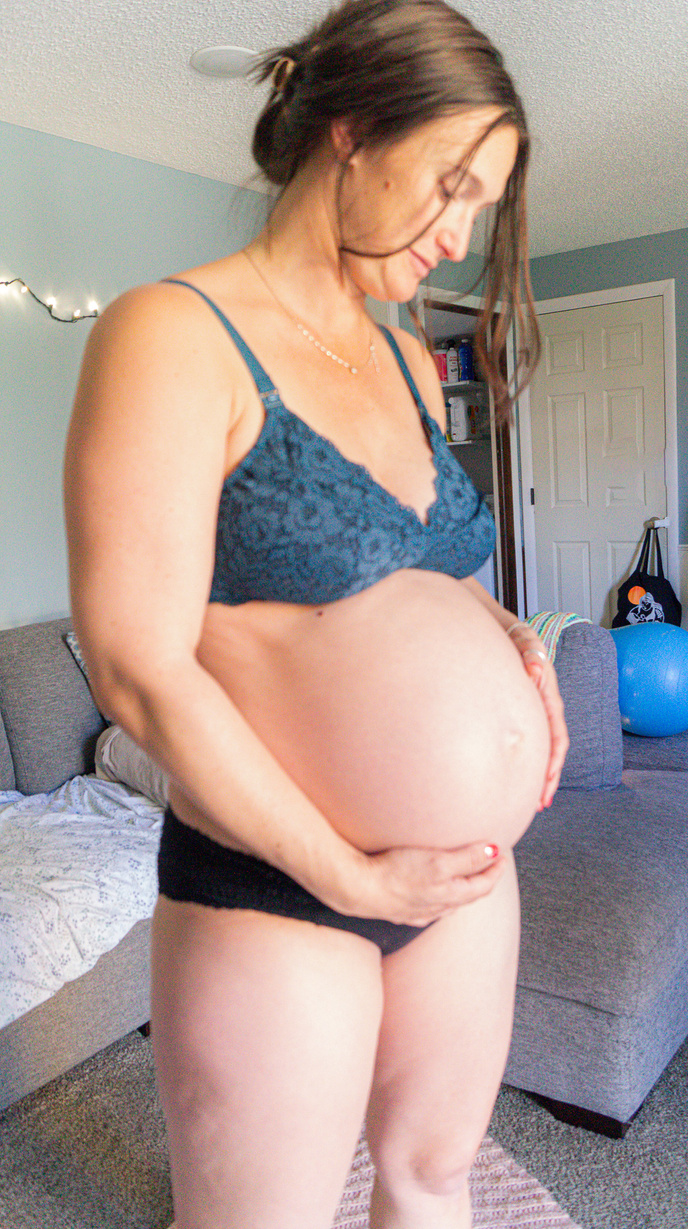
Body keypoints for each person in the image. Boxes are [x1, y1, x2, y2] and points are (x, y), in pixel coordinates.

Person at [64, 1, 568, 1225]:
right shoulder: (174, 332)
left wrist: (508, 644)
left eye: (479, 206)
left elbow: (421, 568)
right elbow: (136, 663)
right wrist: (347, 870)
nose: (456, 233)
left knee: (431, 1178)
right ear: (349, 129)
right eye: (447, 184)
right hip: (280, 880)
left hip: (461, 879)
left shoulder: (401, 356)